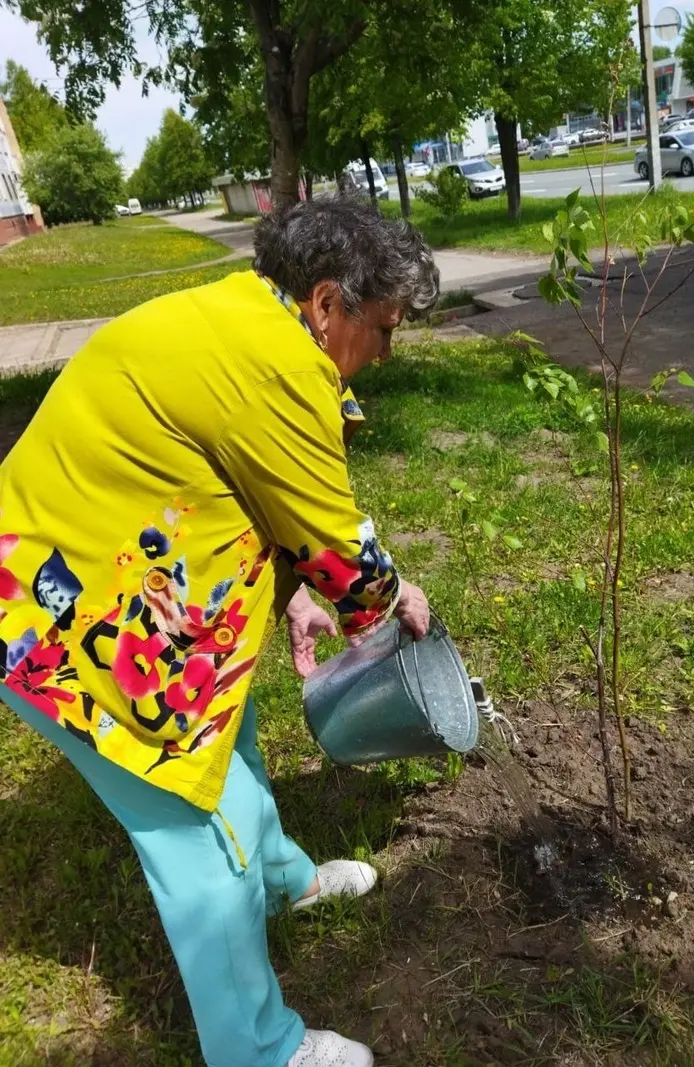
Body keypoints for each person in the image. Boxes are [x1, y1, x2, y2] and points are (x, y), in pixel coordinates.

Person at [0, 199, 439, 1067]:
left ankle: (283, 880)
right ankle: (259, 1048)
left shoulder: (246, 319)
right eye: (384, 330)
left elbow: (233, 483)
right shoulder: (277, 369)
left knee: (229, 739)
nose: (386, 354)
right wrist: (390, 596)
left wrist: (286, 598)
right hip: (66, 622)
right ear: (326, 303)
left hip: (121, 582)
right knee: (206, 831)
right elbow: (338, 545)